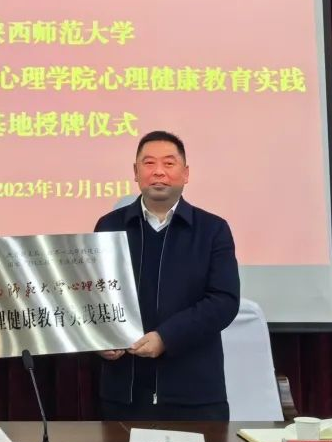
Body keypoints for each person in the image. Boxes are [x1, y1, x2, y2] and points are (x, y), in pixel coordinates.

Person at [93, 130, 240, 421]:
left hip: (195, 394)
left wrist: (166, 338)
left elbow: (223, 301)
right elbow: (95, 296)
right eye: (148, 163)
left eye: (169, 163)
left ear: (186, 173)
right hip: (124, 393)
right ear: (136, 172)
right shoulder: (109, 226)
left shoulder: (212, 230)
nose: (158, 171)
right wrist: (101, 339)